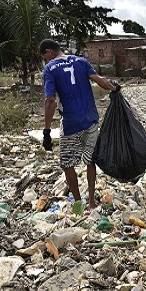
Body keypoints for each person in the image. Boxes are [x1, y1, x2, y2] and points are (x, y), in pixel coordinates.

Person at [40, 39, 120, 209]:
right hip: (91, 119)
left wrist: (46, 131)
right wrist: (115, 89)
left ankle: (78, 204)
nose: (46, 61)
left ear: (48, 52)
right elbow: (100, 81)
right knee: (90, 160)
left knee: (68, 163)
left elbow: (50, 101)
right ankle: (91, 202)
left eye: (45, 57)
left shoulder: (50, 69)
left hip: (70, 124)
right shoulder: (81, 61)